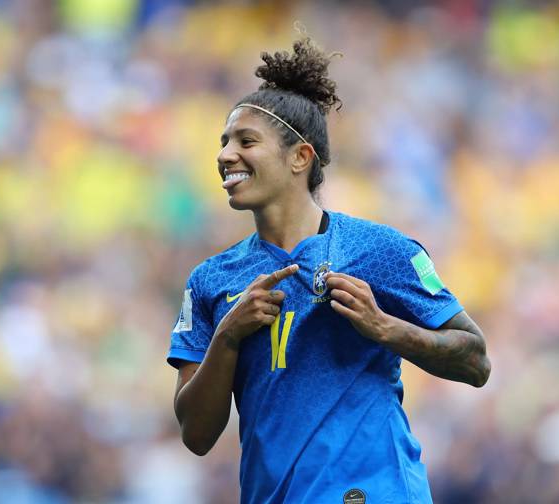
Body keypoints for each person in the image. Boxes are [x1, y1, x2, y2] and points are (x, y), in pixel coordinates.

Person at [168, 37, 491, 504]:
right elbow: (196, 435)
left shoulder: (379, 249)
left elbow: (476, 360)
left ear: (300, 157)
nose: (225, 155)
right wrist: (228, 336)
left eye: (246, 141)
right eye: (223, 143)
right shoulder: (211, 281)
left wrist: (384, 327)